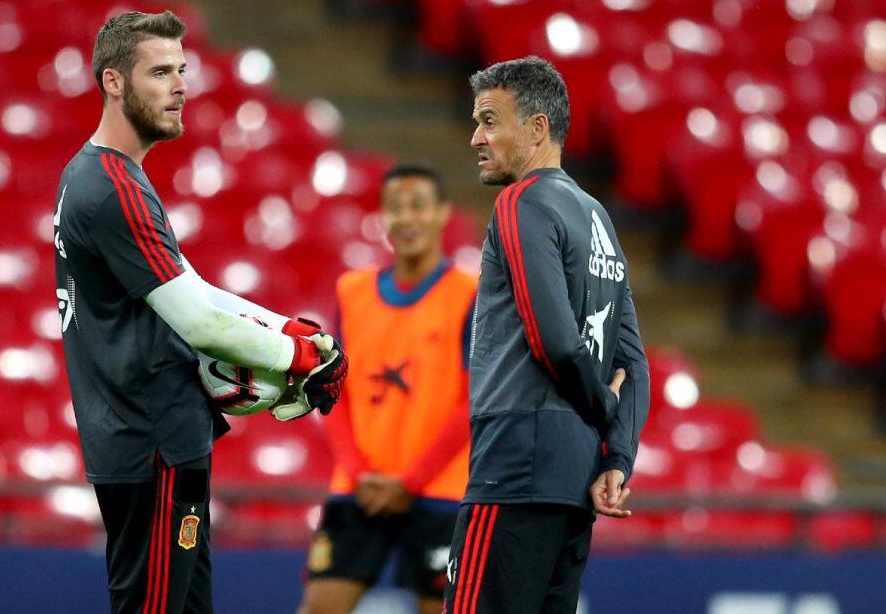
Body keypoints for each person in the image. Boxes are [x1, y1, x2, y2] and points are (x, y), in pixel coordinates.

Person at [52, 11, 347, 613]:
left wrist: (284, 329)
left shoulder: (101, 176)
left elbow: (189, 288)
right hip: (152, 441)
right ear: (113, 82)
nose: (181, 85)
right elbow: (197, 321)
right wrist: (299, 357)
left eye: (182, 70)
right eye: (160, 72)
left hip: (147, 443)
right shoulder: (113, 186)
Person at [442, 56, 650, 614]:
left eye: (489, 120)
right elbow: (634, 360)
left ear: (537, 129)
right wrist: (617, 460)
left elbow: (552, 339)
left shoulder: (521, 201)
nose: (475, 137)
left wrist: (604, 406)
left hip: (514, 469)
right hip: (575, 480)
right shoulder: (597, 216)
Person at [299, 165, 476, 614]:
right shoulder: (352, 290)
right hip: (360, 488)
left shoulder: (471, 293)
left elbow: (474, 401)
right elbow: (330, 389)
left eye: (418, 205)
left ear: (442, 214)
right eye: (395, 207)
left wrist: (410, 482)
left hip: (440, 491)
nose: (406, 217)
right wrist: (359, 474)